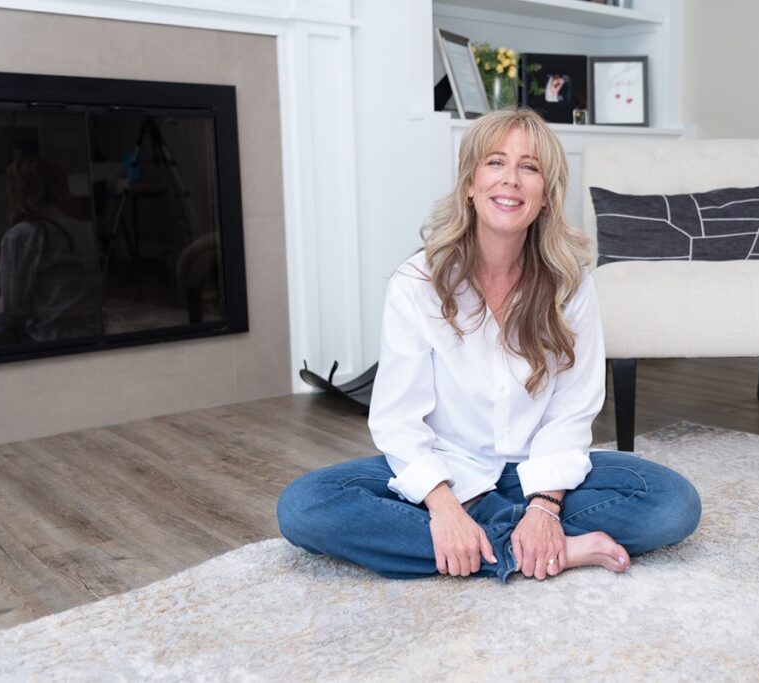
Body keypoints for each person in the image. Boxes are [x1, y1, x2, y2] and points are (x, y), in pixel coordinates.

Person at [277, 108, 701, 582]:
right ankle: (529, 549)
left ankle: (499, 542)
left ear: (545, 197)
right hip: (449, 472)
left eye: (530, 167)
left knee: (671, 503)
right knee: (304, 506)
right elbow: (398, 421)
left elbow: (572, 412)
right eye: (495, 162)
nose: (512, 180)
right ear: (469, 185)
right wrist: (442, 507)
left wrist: (544, 507)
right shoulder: (417, 282)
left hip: (538, 473)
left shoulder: (570, 284)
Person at [0, 157, 101, 345]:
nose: (8, 190)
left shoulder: (22, 235)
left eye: (12, 184)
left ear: (22, 190)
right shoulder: (84, 228)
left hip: (45, 339)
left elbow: (11, 312)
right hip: (90, 334)